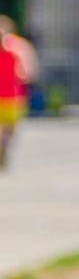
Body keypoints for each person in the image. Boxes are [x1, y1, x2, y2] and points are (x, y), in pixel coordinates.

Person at [0, 16, 37, 170]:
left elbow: (28, 70)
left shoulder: (18, 47)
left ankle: (3, 148)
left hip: (13, 95)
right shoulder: (18, 48)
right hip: (8, 95)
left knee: (11, 127)